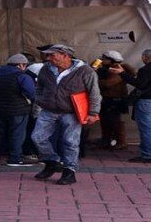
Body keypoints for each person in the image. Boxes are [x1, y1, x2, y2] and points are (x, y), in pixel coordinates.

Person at [32, 45, 101, 185]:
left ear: (65, 55)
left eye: (52, 55)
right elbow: (40, 86)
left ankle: (69, 171)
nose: (48, 58)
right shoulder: (46, 69)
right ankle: (52, 161)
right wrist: (40, 100)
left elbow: (94, 92)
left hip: (72, 112)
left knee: (70, 142)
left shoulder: (85, 71)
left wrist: (93, 112)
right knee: (37, 137)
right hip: (49, 109)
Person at [119, 49, 151, 163]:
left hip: (147, 102)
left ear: (144, 58)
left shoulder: (146, 69)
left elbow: (140, 84)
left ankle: (148, 155)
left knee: (147, 130)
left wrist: (122, 74)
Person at [0, 54, 36, 166]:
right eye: (25, 65)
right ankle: (14, 159)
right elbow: (31, 93)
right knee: (17, 134)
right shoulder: (22, 76)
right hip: (18, 109)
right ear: (21, 65)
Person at [95, 51, 132, 150]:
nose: (102, 60)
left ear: (111, 60)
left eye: (104, 58)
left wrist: (94, 81)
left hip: (115, 99)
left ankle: (121, 141)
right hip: (107, 98)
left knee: (115, 121)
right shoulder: (105, 69)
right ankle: (106, 140)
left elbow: (108, 84)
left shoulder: (117, 70)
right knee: (105, 120)